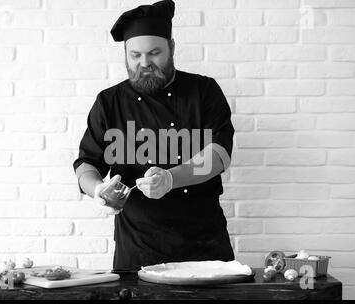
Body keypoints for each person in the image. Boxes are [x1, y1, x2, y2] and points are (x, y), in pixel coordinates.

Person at [73, 0, 235, 271]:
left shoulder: (204, 91)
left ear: (171, 48)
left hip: (204, 246)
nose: (144, 63)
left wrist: (171, 178)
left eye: (154, 53)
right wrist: (97, 190)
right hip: (137, 249)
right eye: (135, 55)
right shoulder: (109, 102)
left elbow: (218, 155)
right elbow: (87, 163)